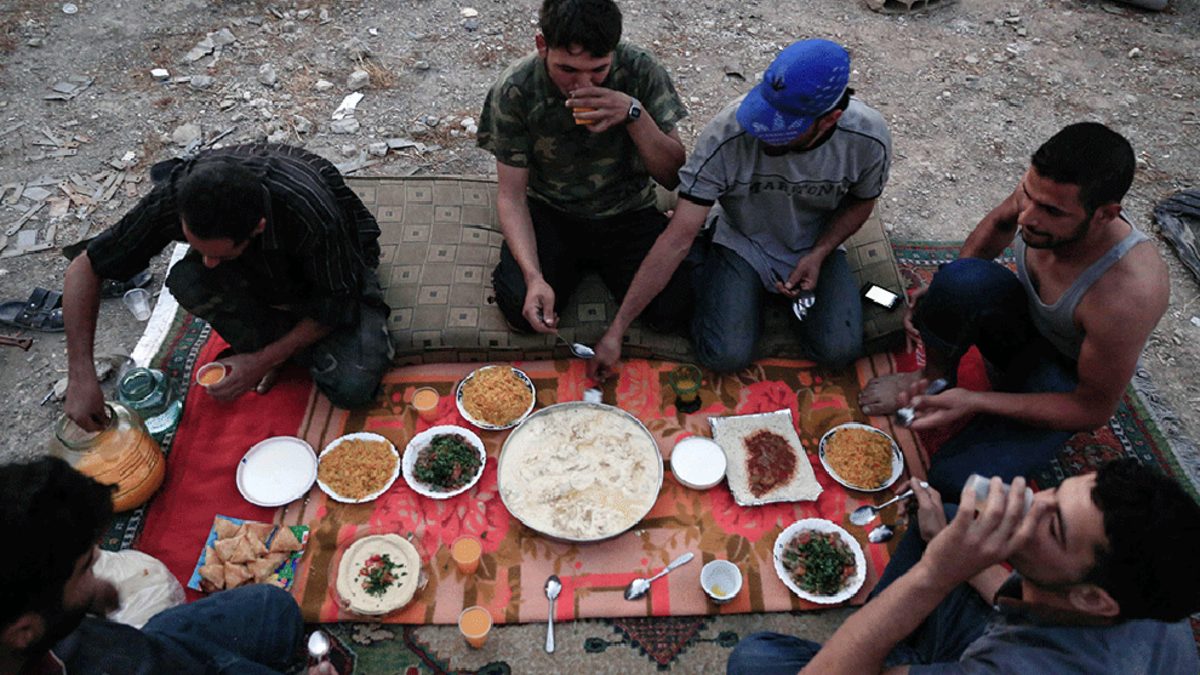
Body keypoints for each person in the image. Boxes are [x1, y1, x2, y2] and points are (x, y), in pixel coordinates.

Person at [857, 123, 1168, 497]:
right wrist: (946, 288)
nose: (1028, 217)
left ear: (1105, 215)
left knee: (957, 481)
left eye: (1050, 211)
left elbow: (1093, 410)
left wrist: (976, 400)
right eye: (1028, 194)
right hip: (1017, 330)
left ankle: (988, 406)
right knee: (959, 279)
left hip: (1063, 380)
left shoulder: (1127, 293)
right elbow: (999, 223)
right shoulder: (1040, 198)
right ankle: (934, 378)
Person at [588, 39, 891, 381]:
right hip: (743, 239)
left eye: (783, 131)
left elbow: (864, 200)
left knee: (839, 350)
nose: (764, 136)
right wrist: (616, 330)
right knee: (725, 354)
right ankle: (719, 264)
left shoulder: (867, 137)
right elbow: (676, 239)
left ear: (829, 120)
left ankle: (760, 295)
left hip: (814, 241)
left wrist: (820, 253)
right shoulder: (728, 133)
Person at [727, 458, 1200, 675]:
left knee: (755, 661)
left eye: (1053, 525)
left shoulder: (1023, 667)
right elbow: (1031, 601)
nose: (1028, 501)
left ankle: (882, 644)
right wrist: (941, 545)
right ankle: (888, 637)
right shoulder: (1148, 590)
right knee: (953, 519)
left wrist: (934, 575)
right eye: (1056, 490)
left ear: (1095, 599)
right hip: (1013, 632)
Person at [63, 143, 394, 431]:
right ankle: (284, 345)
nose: (207, 262)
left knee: (353, 386)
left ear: (258, 228)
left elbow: (335, 304)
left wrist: (260, 361)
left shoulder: (310, 214)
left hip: (333, 267)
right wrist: (80, 374)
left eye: (218, 254)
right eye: (200, 249)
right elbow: (85, 267)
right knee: (188, 280)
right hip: (259, 258)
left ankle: (279, 349)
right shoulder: (179, 196)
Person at [476, 0, 692, 337]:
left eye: (598, 70)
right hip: (551, 211)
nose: (583, 84)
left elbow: (672, 175)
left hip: (627, 210)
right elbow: (511, 196)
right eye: (568, 70)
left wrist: (634, 115)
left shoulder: (640, 70)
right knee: (522, 308)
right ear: (542, 46)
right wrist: (534, 278)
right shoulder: (516, 88)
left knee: (676, 309)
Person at [0, 456, 311, 675]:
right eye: (85, 568)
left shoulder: (29, 624)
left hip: (155, 651)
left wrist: (86, 596)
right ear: (24, 632)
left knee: (273, 606)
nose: (98, 558)